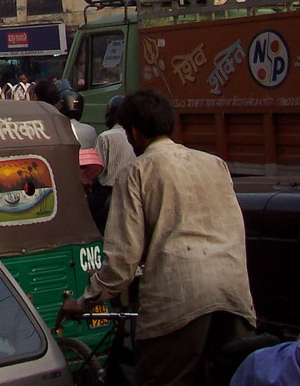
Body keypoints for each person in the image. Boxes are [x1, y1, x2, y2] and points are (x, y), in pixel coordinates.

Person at [60, 89, 255, 386]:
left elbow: (122, 259)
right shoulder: (214, 164)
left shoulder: (137, 172)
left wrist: (86, 300)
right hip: (234, 298)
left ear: (135, 132)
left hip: (178, 303)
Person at [88, 95, 136, 231]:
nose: (106, 115)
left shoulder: (105, 137)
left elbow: (96, 170)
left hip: (107, 192)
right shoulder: (135, 135)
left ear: (115, 113)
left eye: (108, 111)